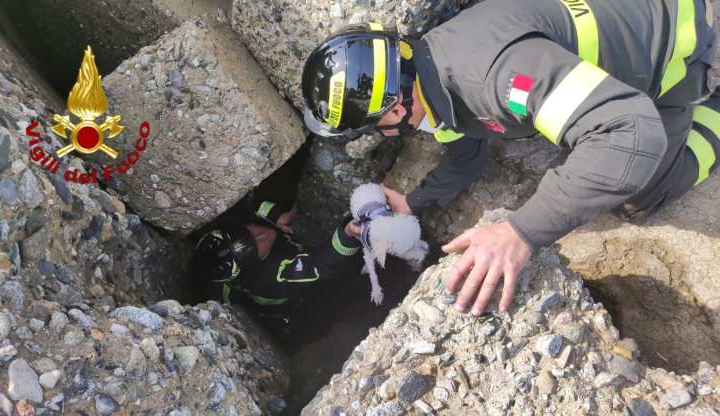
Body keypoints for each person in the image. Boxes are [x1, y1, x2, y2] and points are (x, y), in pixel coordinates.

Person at [300, 0, 720, 316]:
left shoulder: (491, 80)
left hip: (675, 37)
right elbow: (465, 156)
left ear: (393, 110)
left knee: (639, 192)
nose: (378, 134)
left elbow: (630, 132)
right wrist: (414, 202)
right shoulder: (430, 76)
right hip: (624, 18)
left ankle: (713, 102)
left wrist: (521, 232)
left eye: (371, 126)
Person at [192, 197, 363, 333]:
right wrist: (349, 233)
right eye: (255, 248)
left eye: (248, 232)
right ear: (254, 264)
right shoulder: (275, 276)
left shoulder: (233, 226)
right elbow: (323, 263)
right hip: (294, 313)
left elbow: (253, 207)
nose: (262, 235)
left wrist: (275, 215)